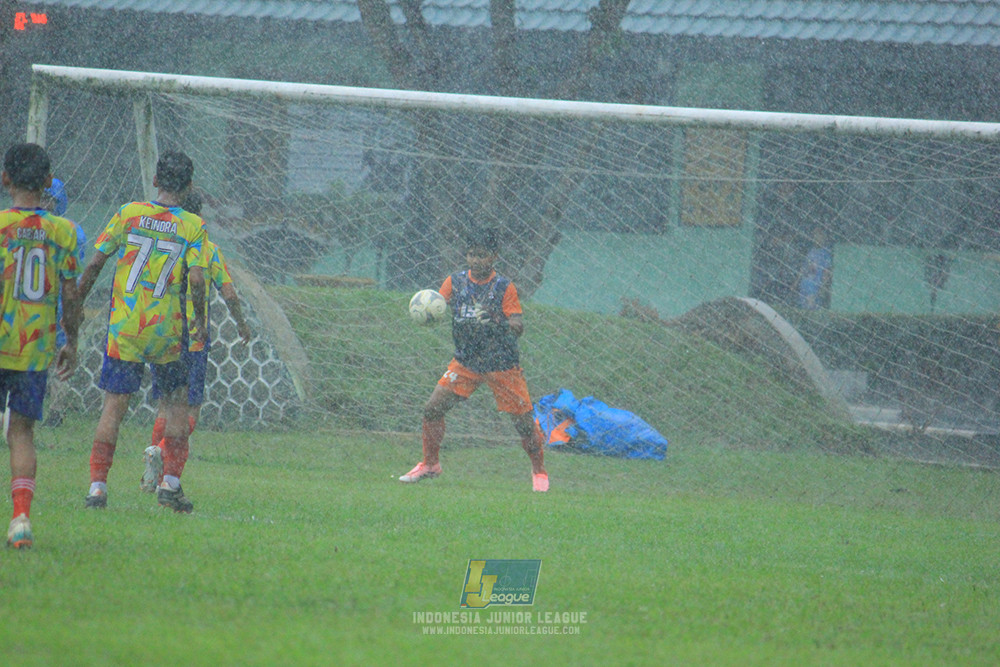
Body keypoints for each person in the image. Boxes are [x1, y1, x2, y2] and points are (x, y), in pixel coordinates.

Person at [76, 151, 208, 513]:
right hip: (166, 329)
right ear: (190, 186)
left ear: (154, 181)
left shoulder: (128, 213)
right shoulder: (192, 225)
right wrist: (199, 315)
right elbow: (197, 277)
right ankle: (170, 484)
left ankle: (97, 488)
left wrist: (75, 304)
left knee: (114, 406)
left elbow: (96, 263)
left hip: (125, 327)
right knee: (178, 400)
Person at [399, 229, 549, 492]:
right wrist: (428, 310)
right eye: (471, 255)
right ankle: (430, 464)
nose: (476, 260)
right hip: (467, 361)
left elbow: (518, 326)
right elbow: (437, 303)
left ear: (494, 256)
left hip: (501, 363)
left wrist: (497, 319)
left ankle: (539, 471)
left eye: (482, 255)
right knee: (433, 408)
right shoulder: (455, 282)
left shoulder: (503, 287)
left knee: (523, 423)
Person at [141, 188, 252, 493]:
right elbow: (228, 292)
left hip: (161, 328)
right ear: (198, 215)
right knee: (190, 409)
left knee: (165, 403)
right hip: (193, 334)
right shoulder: (206, 247)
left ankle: (153, 469)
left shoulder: (162, 243)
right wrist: (242, 324)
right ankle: (165, 460)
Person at [0, 143, 82, 548]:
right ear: (48, 182)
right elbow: (71, 293)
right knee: (21, 433)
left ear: (5, 180)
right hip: (34, 349)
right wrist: (73, 341)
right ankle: (20, 519)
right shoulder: (63, 232)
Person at [40, 177, 87, 427]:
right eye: (43, 198)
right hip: (32, 305)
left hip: (58, 304)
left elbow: (72, 277)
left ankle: (56, 412)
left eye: (51, 199)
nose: (47, 204)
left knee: (60, 355)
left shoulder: (71, 232)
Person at [798, 227, 833, 310]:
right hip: (805, 284)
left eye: (820, 235)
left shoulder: (826, 253)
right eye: (815, 235)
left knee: (812, 307)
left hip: (816, 285)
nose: (817, 237)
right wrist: (796, 282)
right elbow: (804, 268)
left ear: (824, 237)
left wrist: (823, 286)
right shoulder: (811, 252)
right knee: (803, 307)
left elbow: (826, 271)